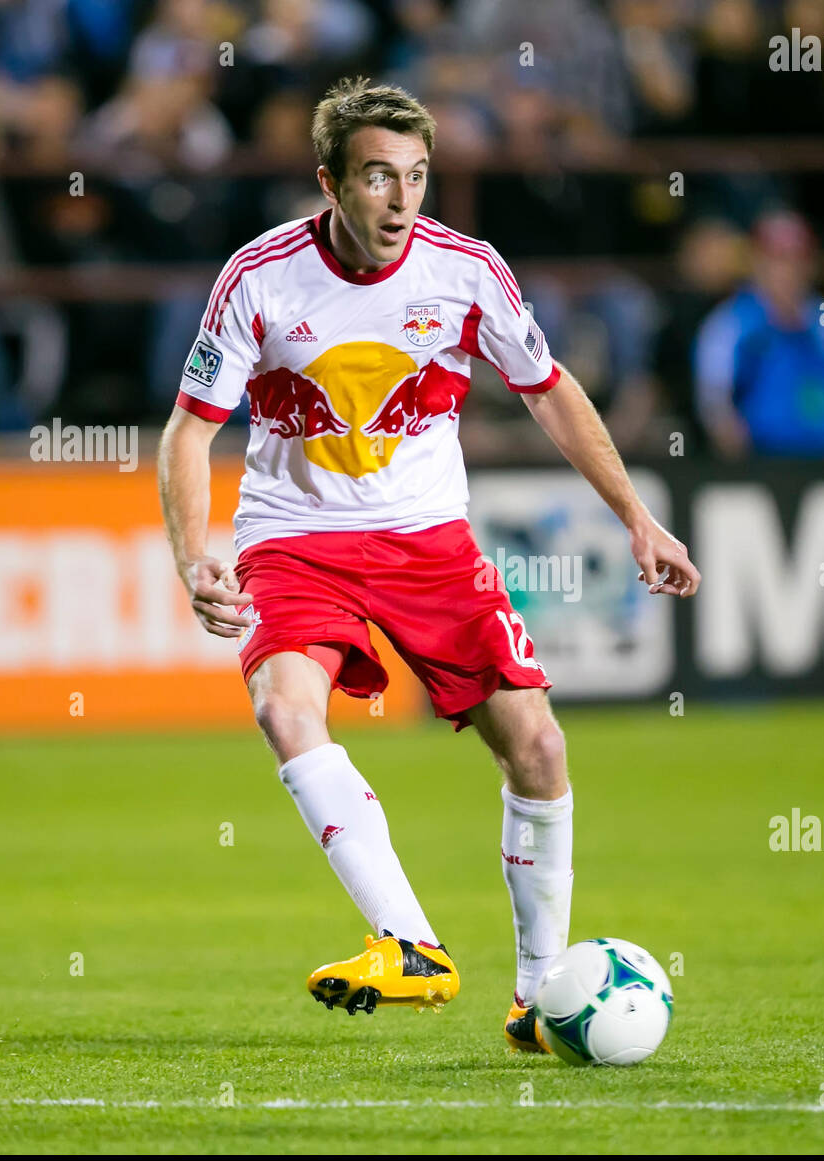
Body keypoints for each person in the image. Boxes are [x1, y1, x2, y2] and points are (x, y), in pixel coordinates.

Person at [157, 77, 699, 1052]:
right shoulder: (260, 277)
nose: (402, 200)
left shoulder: (465, 272)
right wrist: (194, 555)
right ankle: (408, 943)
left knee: (536, 747)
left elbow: (549, 389)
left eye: (415, 175)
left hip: (430, 543)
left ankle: (538, 1001)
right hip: (294, 537)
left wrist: (636, 517)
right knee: (286, 708)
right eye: (377, 178)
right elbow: (189, 434)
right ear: (329, 182)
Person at [693, 209, 824, 458]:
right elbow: (714, 404)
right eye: (778, 259)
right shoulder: (729, 324)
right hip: (763, 463)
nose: (788, 270)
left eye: (797, 259)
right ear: (757, 263)